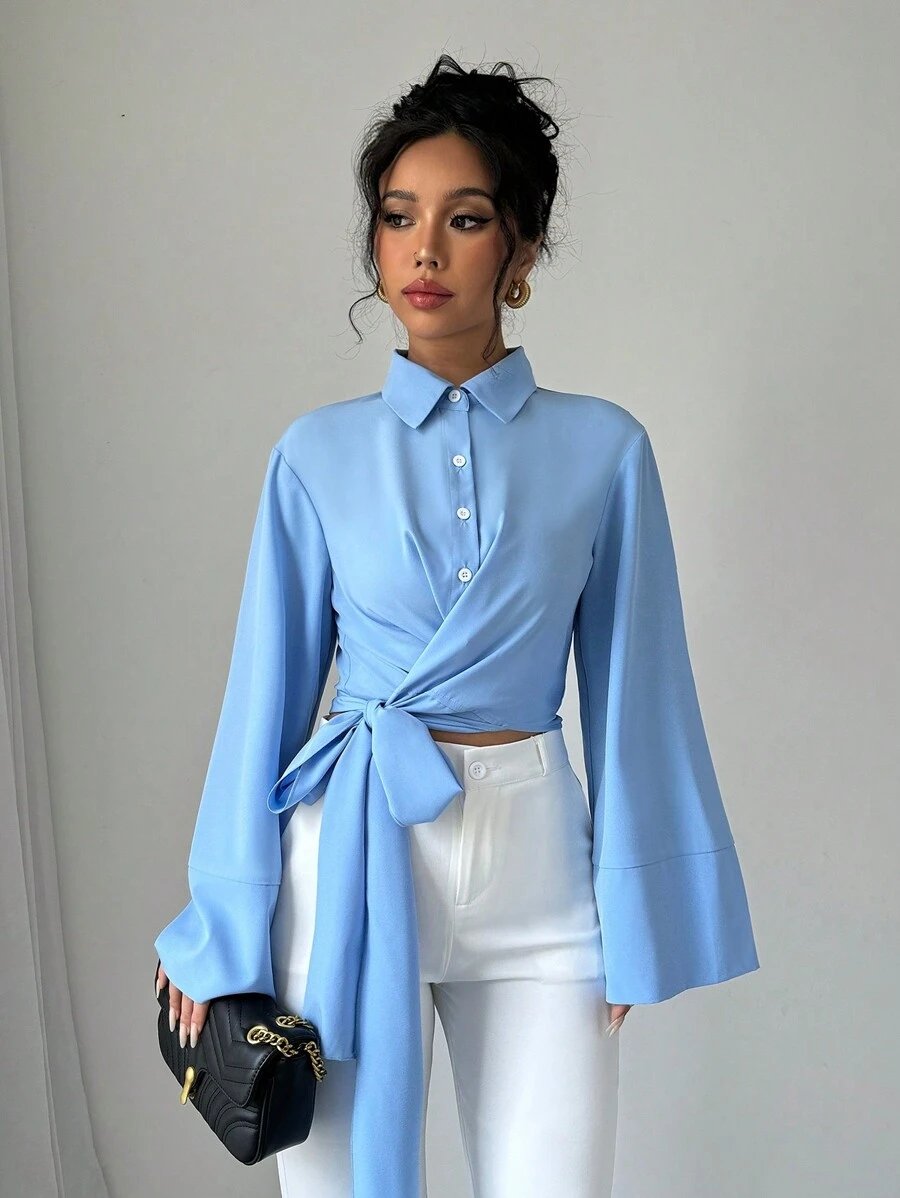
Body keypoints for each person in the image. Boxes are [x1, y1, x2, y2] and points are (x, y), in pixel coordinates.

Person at [154, 54, 759, 1198]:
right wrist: (221, 925)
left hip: (538, 871)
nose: (424, 249)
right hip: (348, 860)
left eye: (465, 218)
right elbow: (262, 704)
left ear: (521, 250)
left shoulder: (606, 449)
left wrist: (639, 911)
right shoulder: (313, 454)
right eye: (398, 218)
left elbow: (638, 696)